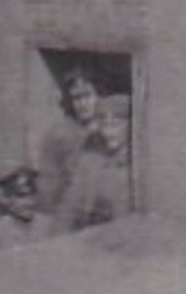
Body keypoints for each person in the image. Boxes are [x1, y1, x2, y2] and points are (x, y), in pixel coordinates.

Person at [51, 94, 133, 234]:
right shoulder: (90, 159)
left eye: (116, 125)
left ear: (130, 126)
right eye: (104, 125)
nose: (109, 133)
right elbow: (69, 204)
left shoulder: (135, 163)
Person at [34, 68, 101, 217]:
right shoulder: (60, 135)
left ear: (99, 96)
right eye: (76, 98)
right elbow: (49, 185)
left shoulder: (110, 130)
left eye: (87, 96)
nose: (82, 104)